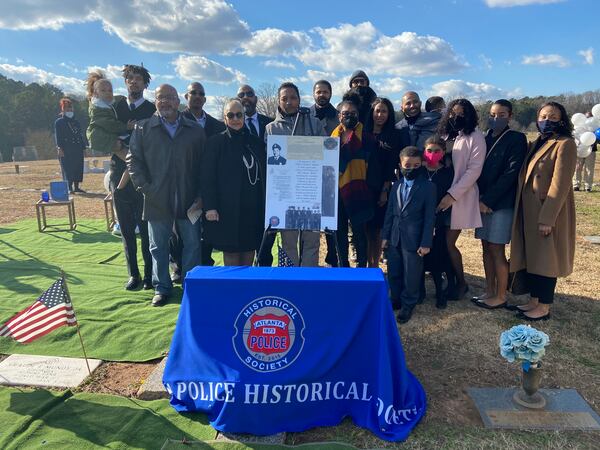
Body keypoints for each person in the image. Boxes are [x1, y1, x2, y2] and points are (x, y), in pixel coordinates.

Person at [127, 84, 206, 306]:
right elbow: (133, 162)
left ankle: (192, 284)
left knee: (192, 244)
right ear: (155, 101)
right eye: (161, 98)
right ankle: (162, 287)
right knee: (157, 246)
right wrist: (146, 189)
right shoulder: (143, 129)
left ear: (178, 101)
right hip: (156, 199)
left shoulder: (194, 130)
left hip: (189, 199)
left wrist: (200, 194)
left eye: (170, 97)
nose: (166, 102)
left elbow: (203, 166)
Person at [509, 101, 577, 321]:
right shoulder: (537, 142)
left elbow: (560, 184)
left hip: (547, 211)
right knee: (533, 257)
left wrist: (547, 218)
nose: (547, 120)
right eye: (544, 116)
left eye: (554, 117)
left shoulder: (565, 144)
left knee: (547, 259)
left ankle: (544, 306)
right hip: (528, 210)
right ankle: (534, 300)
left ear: (562, 120)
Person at [472, 99, 527, 310]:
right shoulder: (484, 138)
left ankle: (502, 295)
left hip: (500, 203)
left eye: (502, 114)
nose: (496, 118)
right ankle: (490, 289)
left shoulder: (516, 138)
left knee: (496, 248)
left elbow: (511, 173)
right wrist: (479, 199)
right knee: (485, 247)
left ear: (510, 116)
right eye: (493, 114)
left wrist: (488, 200)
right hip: (481, 201)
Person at [265, 82, 326, 267]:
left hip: (310, 193)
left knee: (312, 242)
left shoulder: (315, 123)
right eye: (284, 98)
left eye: (293, 98)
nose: (289, 102)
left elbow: (326, 155)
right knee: (289, 242)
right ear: (278, 101)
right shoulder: (271, 129)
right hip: (285, 196)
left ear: (299, 99)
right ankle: (290, 280)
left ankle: (309, 281)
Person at [202, 99, 266, 266]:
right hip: (226, 210)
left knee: (249, 251)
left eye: (239, 115)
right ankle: (233, 289)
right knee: (231, 253)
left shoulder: (256, 143)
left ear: (244, 117)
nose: (235, 119)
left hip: (252, 210)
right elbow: (207, 177)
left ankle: (246, 289)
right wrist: (210, 206)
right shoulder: (215, 143)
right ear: (225, 118)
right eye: (231, 115)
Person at [437, 99, 486, 300]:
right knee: (440, 242)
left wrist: (452, 195)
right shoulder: (444, 135)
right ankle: (447, 281)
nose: (456, 117)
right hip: (439, 194)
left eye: (461, 114)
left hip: (457, 197)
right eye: (452, 113)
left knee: (449, 243)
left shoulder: (475, 137)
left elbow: (474, 170)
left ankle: (461, 282)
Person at [382, 146, 437, 324]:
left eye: (415, 165)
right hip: (395, 237)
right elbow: (390, 212)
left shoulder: (428, 187)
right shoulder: (396, 185)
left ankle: (408, 304)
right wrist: (385, 236)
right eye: (407, 165)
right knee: (394, 271)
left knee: (411, 274)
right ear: (400, 164)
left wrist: (426, 242)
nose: (411, 169)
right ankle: (395, 299)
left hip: (414, 239)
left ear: (421, 164)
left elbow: (430, 217)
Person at [330, 100, 382, 268]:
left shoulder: (368, 139)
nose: (349, 116)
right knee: (340, 233)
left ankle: (361, 267)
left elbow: (374, 168)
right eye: (346, 113)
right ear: (339, 116)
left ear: (358, 116)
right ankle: (342, 266)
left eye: (353, 113)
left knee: (360, 233)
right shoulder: (330, 140)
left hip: (360, 191)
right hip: (336, 192)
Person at [181, 82, 226, 267]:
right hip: (184, 186)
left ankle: (206, 265)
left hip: (209, 186)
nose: (197, 96)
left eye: (201, 93)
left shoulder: (216, 125)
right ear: (186, 97)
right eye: (193, 93)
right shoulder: (176, 121)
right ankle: (178, 267)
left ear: (205, 99)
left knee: (208, 232)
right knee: (183, 234)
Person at [363, 97, 410, 267]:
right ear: (372, 112)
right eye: (377, 111)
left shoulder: (394, 135)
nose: (380, 115)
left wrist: (384, 189)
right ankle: (363, 263)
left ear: (389, 114)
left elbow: (391, 166)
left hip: (380, 188)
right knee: (363, 230)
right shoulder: (363, 132)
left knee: (376, 229)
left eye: (384, 111)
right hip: (361, 188)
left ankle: (373, 265)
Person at [110, 138, 153, 290]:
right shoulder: (111, 125)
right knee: (127, 233)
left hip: (140, 185)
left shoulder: (142, 125)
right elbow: (110, 145)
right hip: (119, 186)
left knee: (146, 232)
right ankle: (134, 274)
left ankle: (149, 274)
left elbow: (134, 159)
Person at [421, 136, 454, 309]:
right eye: (429, 151)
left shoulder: (447, 173)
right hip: (419, 220)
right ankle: (420, 290)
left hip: (438, 220)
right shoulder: (419, 170)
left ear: (443, 153)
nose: (432, 154)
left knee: (437, 257)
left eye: (437, 151)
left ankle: (440, 293)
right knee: (419, 256)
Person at [85, 71, 133, 154]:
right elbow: (109, 124)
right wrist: (125, 127)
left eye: (110, 90)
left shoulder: (107, 104)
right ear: (95, 93)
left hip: (105, 134)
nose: (107, 93)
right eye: (103, 90)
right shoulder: (98, 108)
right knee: (118, 145)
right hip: (99, 136)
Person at [54, 97, 87, 193]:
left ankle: (77, 187)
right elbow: (58, 136)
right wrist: (59, 148)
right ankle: (69, 187)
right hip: (66, 148)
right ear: (63, 110)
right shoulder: (59, 122)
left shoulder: (76, 122)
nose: (69, 110)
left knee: (77, 167)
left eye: (71, 108)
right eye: (67, 109)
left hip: (77, 148)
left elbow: (80, 135)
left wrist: (84, 148)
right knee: (68, 168)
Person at [573, 112, 597, 192]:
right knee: (577, 168)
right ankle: (576, 185)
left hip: (591, 150)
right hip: (579, 149)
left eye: (590, 118)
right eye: (587, 118)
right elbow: (574, 136)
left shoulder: (595, 127)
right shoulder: (578, 127)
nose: (588, 120)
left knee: (589, 169)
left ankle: (588, 186)